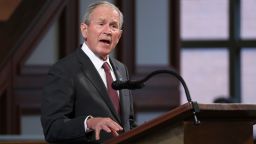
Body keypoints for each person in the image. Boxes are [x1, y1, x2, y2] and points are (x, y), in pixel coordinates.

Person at [40, 1, 136, 143]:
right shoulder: (64, 70)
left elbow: (128, 123)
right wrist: (89, 123)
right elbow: (53, 128)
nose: (108, 31)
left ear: (119, 36)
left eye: (113, 26)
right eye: (101, 23)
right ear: (84, 30)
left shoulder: (121, 69)